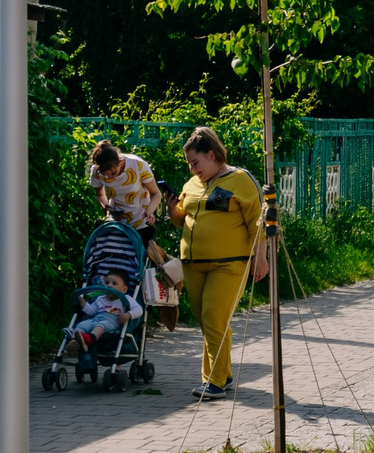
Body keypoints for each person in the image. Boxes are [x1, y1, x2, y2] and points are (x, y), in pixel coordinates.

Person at [173, 125, 260, 401]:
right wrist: (170, 208)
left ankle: (215, 381)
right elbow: (181, 219)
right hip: (193, 264)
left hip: (229, 264)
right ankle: (225, 372)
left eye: (195, 162)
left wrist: (262, 258)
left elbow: (259, 221)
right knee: (208, 321)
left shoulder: (241, 180)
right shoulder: (192, 185)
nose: (192, 169)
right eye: (189, 164)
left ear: (212, 155)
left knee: (213, 317)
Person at [87, 140, 165, 250]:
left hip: (140, 220)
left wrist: (149, 210)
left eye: (113, 173)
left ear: (120, 162)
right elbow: (99, 195)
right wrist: (106, 206)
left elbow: (156, 193)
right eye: (106, 175)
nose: (110, 178)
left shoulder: (137, 165)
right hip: (117, 222)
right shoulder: (96, 171)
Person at [65, 271, 133, 381]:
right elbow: (91, 311)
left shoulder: (126, 299)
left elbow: (138, 310)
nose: (109, 285)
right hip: (96, 318)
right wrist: (83, 303)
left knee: (102, 325)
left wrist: (128, 314)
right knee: (82, 324)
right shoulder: (100, 298)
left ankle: (89, 339)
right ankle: (75, 341)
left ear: (124, 289)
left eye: (114, 283)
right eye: (107, 283)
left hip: (111, 322)